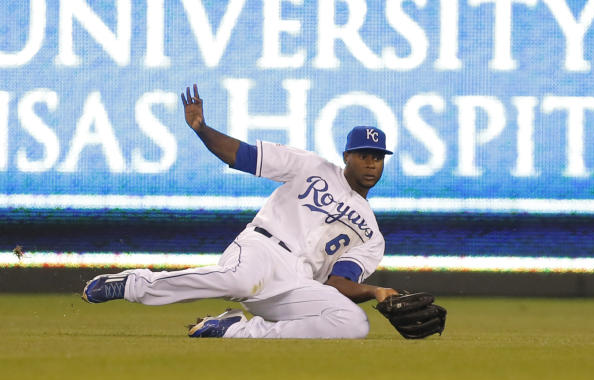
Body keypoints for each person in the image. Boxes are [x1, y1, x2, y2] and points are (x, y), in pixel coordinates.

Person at [82, 84, 398, 339]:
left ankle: (235, 329)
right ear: (346, 156)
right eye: (363, 155)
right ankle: (134, 285)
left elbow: (337, 283)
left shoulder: (372, 235)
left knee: (352, 323)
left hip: (299, 283)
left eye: (378, 157)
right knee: (240, 281)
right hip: (263, 248)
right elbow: (243, 156)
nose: (371, 162)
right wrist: (202, 129)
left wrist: (374, 290)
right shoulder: (311, 165)